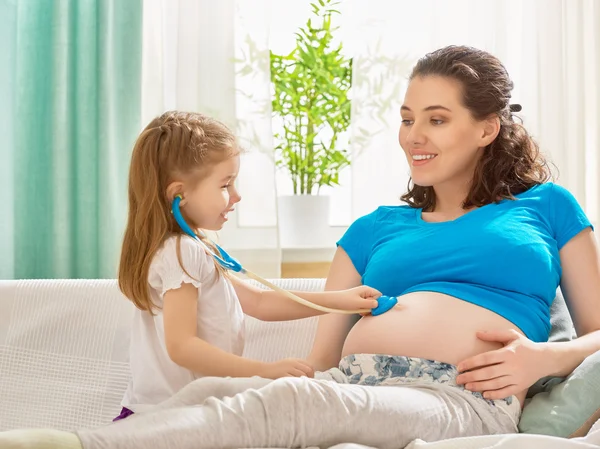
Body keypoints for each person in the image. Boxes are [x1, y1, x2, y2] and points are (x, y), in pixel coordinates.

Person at [2, 45, 600, 449]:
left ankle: (76, 445)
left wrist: (544, 360)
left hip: (458, 394)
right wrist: (289, 377)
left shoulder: (546, 208)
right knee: (214, 392)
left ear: (488, 127)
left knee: (294, 403)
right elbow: (322, 353)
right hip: (354, 379)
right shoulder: (374, 226)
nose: (413, 136)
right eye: (407, 117)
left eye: (437, 120)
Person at [108, 111, 382, 421]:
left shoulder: (195, 248)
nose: (236, 196)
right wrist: (264, 372)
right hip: (163, 420)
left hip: (179, 415)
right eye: (225, 185)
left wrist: (341, 301)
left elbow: (260, 302)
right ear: (178, 195)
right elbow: (182, 347)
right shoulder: (182, 252)